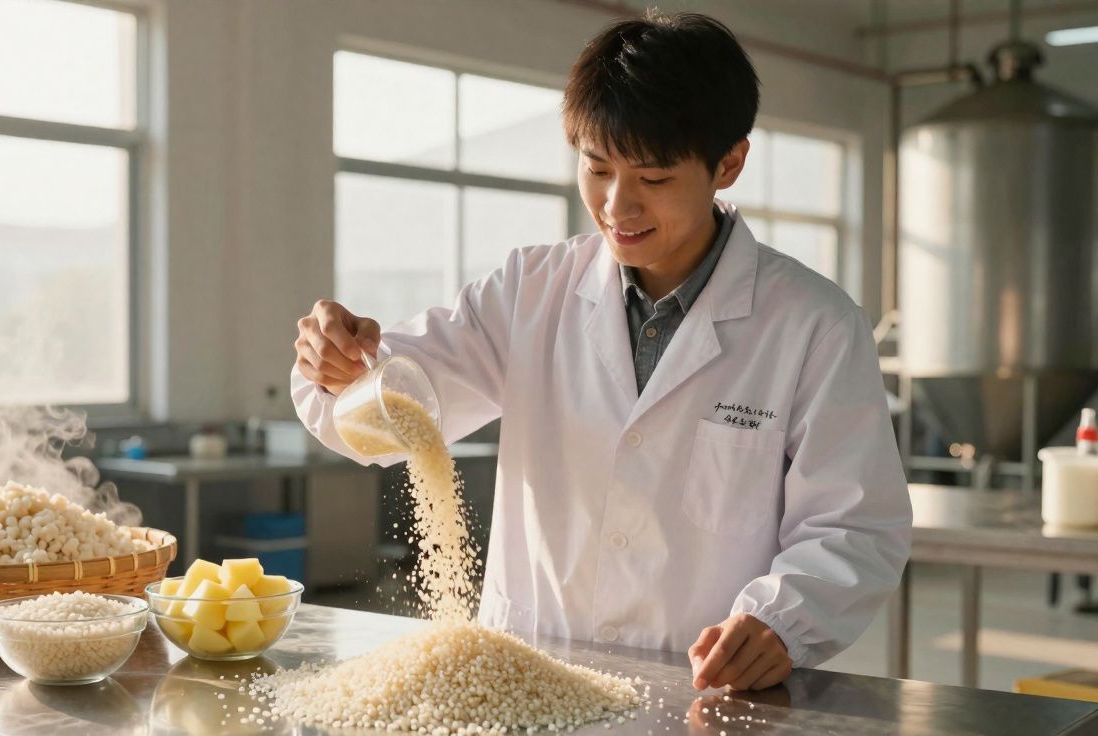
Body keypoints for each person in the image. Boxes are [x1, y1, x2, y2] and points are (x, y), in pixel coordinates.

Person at [291, 10, 910, 692]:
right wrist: (341, 365)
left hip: (699, 690)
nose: (618, 204)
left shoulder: (813, 325)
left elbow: (853, 523)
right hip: (524, 682)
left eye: (653, 177)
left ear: (728, 163)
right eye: (597, 168)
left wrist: (783, 621)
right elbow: (392, 411)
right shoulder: (529, 290)